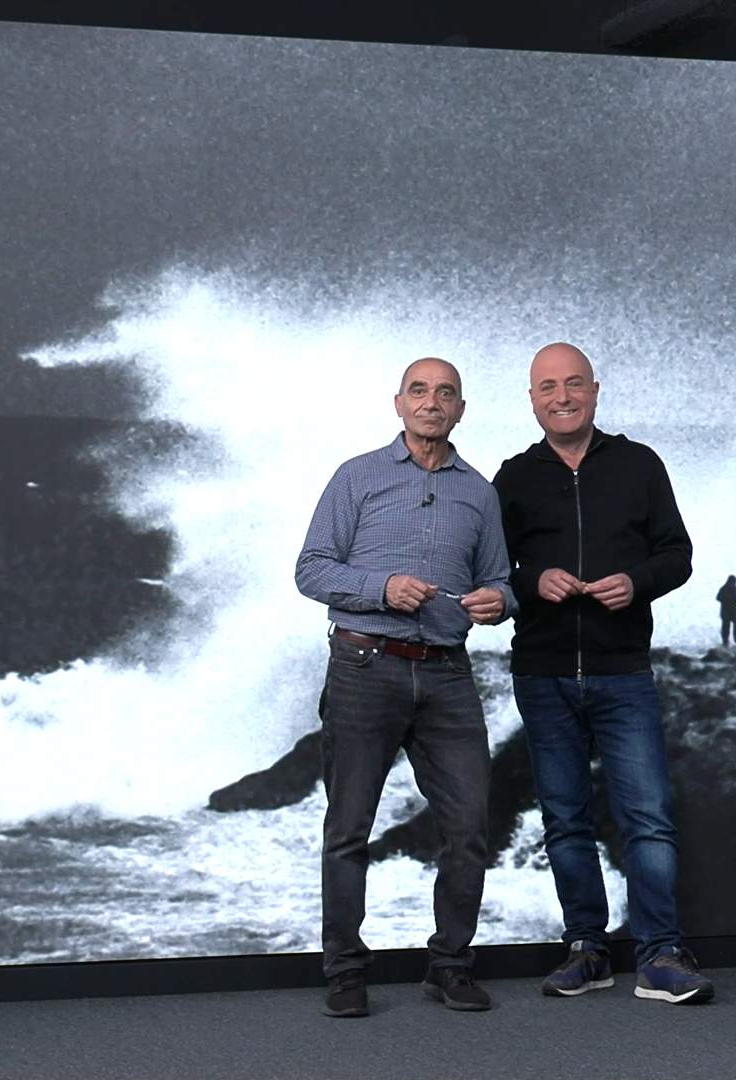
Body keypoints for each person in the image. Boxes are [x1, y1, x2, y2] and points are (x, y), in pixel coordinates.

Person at [294, 357, 516, 1019]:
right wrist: (380, 588)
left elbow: (503, 581)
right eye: (419, 391)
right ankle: (345, 972)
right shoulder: (355, 477)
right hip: (364, 668)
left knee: (469, 828)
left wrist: (498, 602)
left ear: (460, 409)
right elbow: (310, 570)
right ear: (399, 403)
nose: (431, 402)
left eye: (445, 393)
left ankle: (450, 966)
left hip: (447, 674)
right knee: (348, 829)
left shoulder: (479, 492)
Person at [493, 341, 713, 1005]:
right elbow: (489, 572)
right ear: (531, 399)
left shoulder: (640, 465)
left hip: (623, 673)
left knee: (647, 817)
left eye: (573, 385)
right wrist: (534, 579)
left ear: (595, 390)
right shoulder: (512, 478)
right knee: (565, 820)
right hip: (543, 672)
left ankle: (660, 955)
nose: (561, 397)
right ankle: (587, 948)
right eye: (547, 387)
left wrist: (636, 582)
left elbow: (678, 554)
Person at [716, 575, 736, 647]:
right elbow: (718, 598)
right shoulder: (723, 588)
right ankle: (725, 641)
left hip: (734, 610)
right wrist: (727, 599)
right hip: (726, 611)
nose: (734, 583)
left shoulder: (735, 588)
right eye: (733, 581)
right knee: (726, 627)